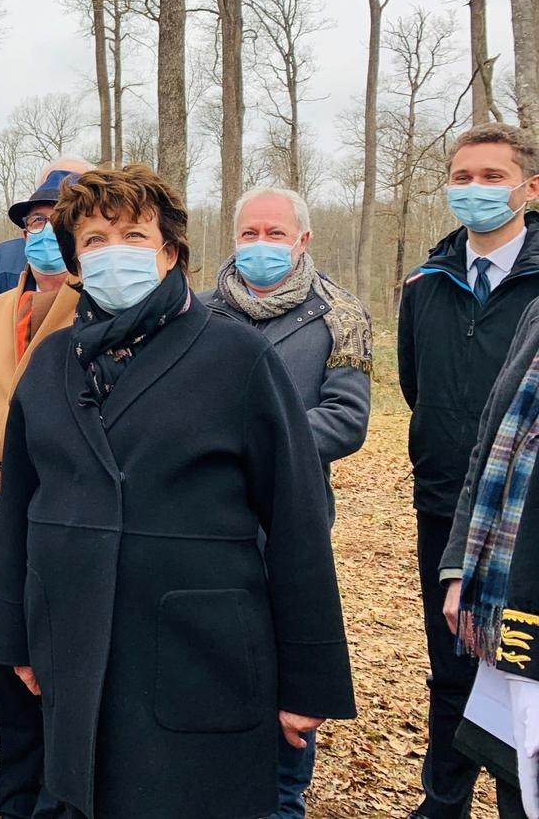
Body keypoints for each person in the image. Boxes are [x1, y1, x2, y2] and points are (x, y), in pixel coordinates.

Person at [0, 164, 355, 819]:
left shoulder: (237, 358)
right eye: (95, 241)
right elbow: (18, 507)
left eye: (132, 236)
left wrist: (309, 678)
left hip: (198, 652)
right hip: (73, 641)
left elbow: (296, 521)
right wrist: (16, 635)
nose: (113, 253)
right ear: (74, 258)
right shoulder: (49, 364)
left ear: (170, 252)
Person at [206, 186, 373, 819]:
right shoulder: (200, 310)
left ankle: (284, 794)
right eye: (250, 234)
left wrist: (259, 438)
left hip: (290, 522)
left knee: (289, 665)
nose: (261, 245)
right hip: (206, 520)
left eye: (275, 234)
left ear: (302, 240)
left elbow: (347, 419)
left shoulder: (340, 316)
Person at [398, 123, 539, 819]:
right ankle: (442, 798)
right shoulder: (424, 285)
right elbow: (413, 386)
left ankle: (522, 795)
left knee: (522, 665)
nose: (476, 190)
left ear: (529, 187)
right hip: (444, 505)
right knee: (450, 663)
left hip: (527, 519)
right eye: (463, 177)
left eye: (492, 176)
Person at [0, 172, 80, 819]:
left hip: (68, 532)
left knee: (62, 696)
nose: (45, 233)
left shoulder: (102, 312)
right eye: (34, 223)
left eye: (60, 221)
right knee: (11, 694)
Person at [432, 296, 539, 819]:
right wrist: (462, 572)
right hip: (512, 601)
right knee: (517, 771)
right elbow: (491, 444)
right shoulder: (537, 314)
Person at [0, 157, 91, 333]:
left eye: (60, 217)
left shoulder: (102, 275)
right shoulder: (4, 257)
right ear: (25, 232)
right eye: (39, 219)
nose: (49, 229)